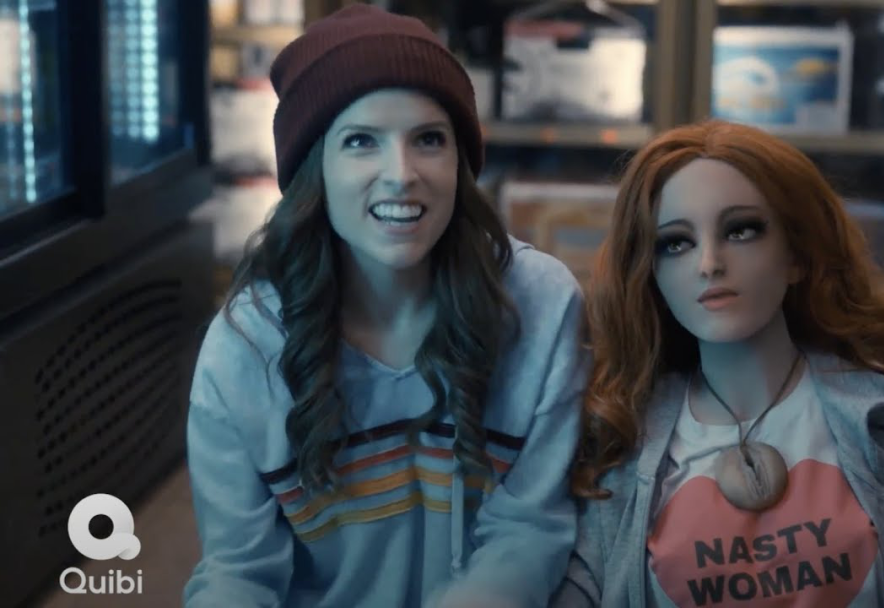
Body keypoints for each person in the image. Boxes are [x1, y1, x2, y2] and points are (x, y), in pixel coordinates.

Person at [182, 5, 585, 607]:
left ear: (460, 160)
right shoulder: (245, 346)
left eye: (429, 139)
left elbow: (530, 529)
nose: (401, 174)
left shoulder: (540, 305)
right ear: (314, 169)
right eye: (361, 141)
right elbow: (238, 570)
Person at [554, 120, 884, 607]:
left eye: (741, 230)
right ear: (650, 274)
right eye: (676, 243)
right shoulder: (620, 444)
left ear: (796, 255)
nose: (709, 263)